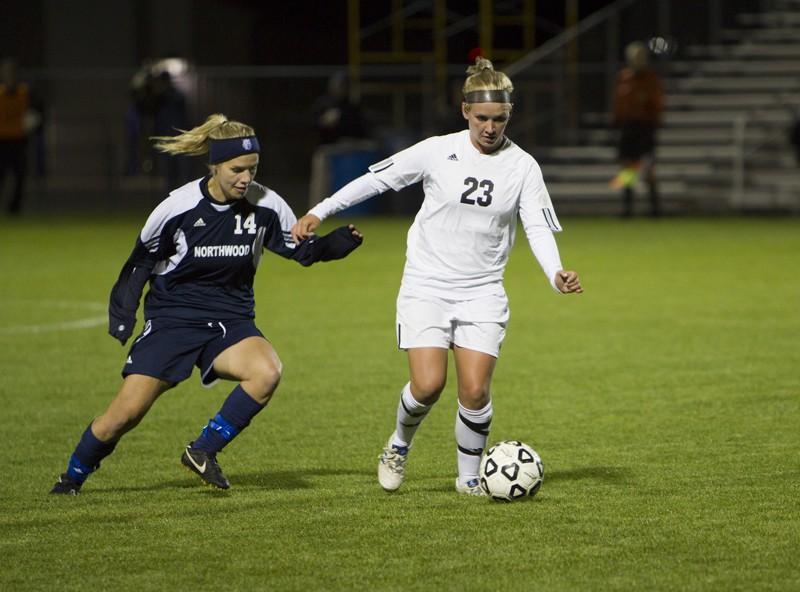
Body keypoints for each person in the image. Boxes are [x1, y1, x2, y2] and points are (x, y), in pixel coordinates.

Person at [292, 57, 583, 496]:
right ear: (465, 110)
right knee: (428, 385)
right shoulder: (435, 150)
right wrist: (320, 210)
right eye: (482, 118)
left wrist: (554, 273)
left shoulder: (522, 166)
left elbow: (537, 225)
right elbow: (377, 180)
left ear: (510, 115)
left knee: (475, 391)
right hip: (427, 284)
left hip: (482, 290)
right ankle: (397, 444)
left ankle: (468, 478)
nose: (490, 127)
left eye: (499, 119)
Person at [50, 113, 363, 495]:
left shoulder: (265, 203)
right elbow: (140, 262)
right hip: (173, 320)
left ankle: (202, 450)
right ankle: (72, 478)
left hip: (230, 320)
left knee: (266, 371)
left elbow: (300, 250)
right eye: (236, 169)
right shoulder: (176, 208)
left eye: (252, 168)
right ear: (214, 165)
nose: (246, 178)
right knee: (124, 416)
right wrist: (123, 314)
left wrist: (336, 244)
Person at [611, 41, 665, 217]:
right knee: (628, 169)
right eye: (635, 57)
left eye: (641, 57)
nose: (638, 60)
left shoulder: (650, 79)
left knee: (648, 167)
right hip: (628, 128)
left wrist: (654, 122)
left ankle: (655, 210)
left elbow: (657, 104)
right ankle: (628, 208)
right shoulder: (623, 77)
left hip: (645, 127)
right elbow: (618, 105)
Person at [0, 57, 41, 215]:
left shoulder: (25, 93)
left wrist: (33, 124)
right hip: (2, 141)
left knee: (20, 176)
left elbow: (37, 113)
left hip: (18, 141)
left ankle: (14, 208)